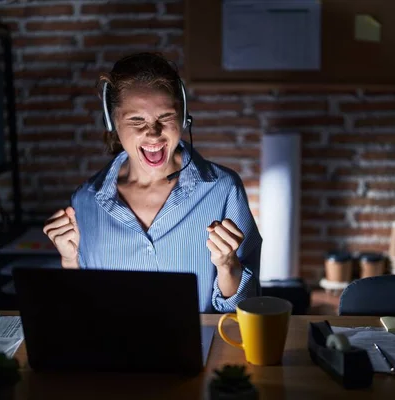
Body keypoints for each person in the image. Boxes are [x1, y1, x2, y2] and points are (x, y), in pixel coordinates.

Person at [42, 53, 262, 313]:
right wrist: (70, 261)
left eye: (165, 117)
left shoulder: (223, 189)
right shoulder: (85, 201)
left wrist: (228, 264)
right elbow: (83, 308)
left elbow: (247, 308)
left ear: (183, 118)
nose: (153, 133)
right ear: (113, 123)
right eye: (137, 120)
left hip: (199, 349)